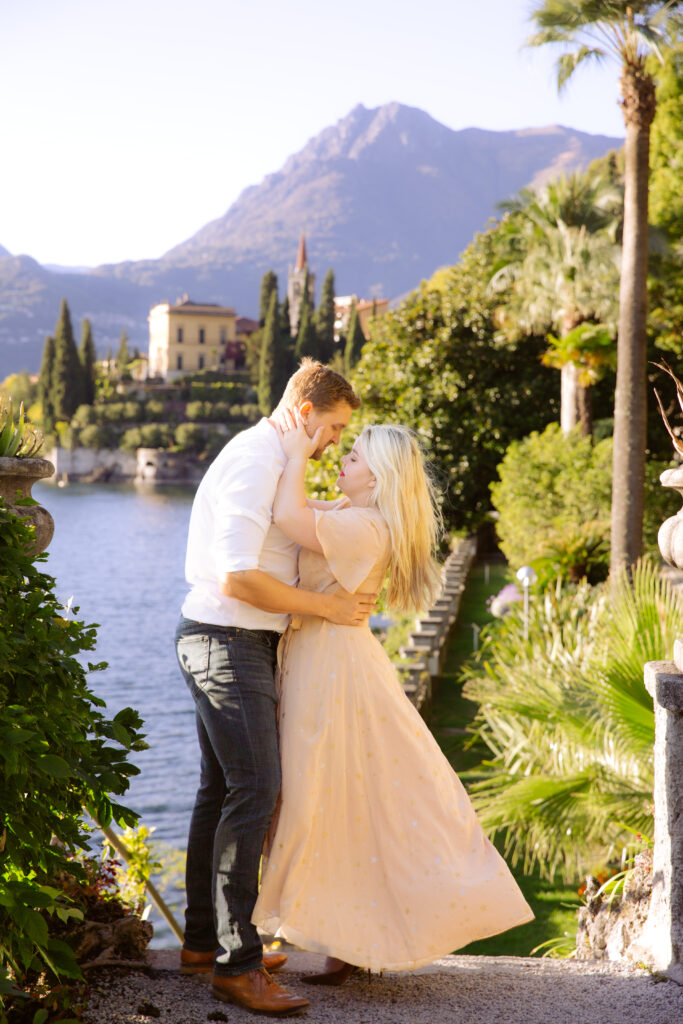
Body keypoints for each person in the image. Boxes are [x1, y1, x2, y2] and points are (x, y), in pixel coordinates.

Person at [251, 414, 534, 982]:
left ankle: (341, 937)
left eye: (353, 457)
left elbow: (287, 515)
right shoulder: (355, 516)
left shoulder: (365, 526)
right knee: (338, 799)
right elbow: (293, 517)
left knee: (320, 796)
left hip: (331, 669)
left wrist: (298, 450)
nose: (343, 460)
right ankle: (349, 938)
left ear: (375, 479)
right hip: (322, 661)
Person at [175, 360, 377, 1016]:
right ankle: (236, 965)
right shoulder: (257, 460)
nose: (331, 442)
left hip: (236, 639)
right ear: (305, 412)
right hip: (227, 639)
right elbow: (236, 576)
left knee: (222, 792)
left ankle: (205, 944)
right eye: (333, 428)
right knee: (255, 792)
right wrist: (324, 610)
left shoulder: (271, 456)